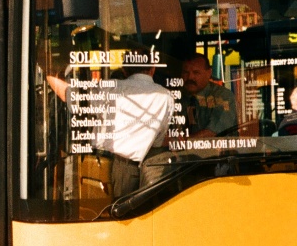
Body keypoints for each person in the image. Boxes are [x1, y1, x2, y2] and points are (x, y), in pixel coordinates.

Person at [98, 61, 173, 198]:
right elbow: (157, 141)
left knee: (123, 213)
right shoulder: (166, 96)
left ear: (124, 70)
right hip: (154, 165)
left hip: (120, 164)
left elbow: (72, 97)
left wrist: (51, 73)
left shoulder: (110, 88)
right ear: (153, 69)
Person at [181, 53, 237, 137]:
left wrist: (181, 143)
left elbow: (212, 133)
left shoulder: (222, 96)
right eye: (186, 72)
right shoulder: (177, 97)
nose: (190, 77)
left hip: (216, 149)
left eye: (196, 72)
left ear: (209, 73)